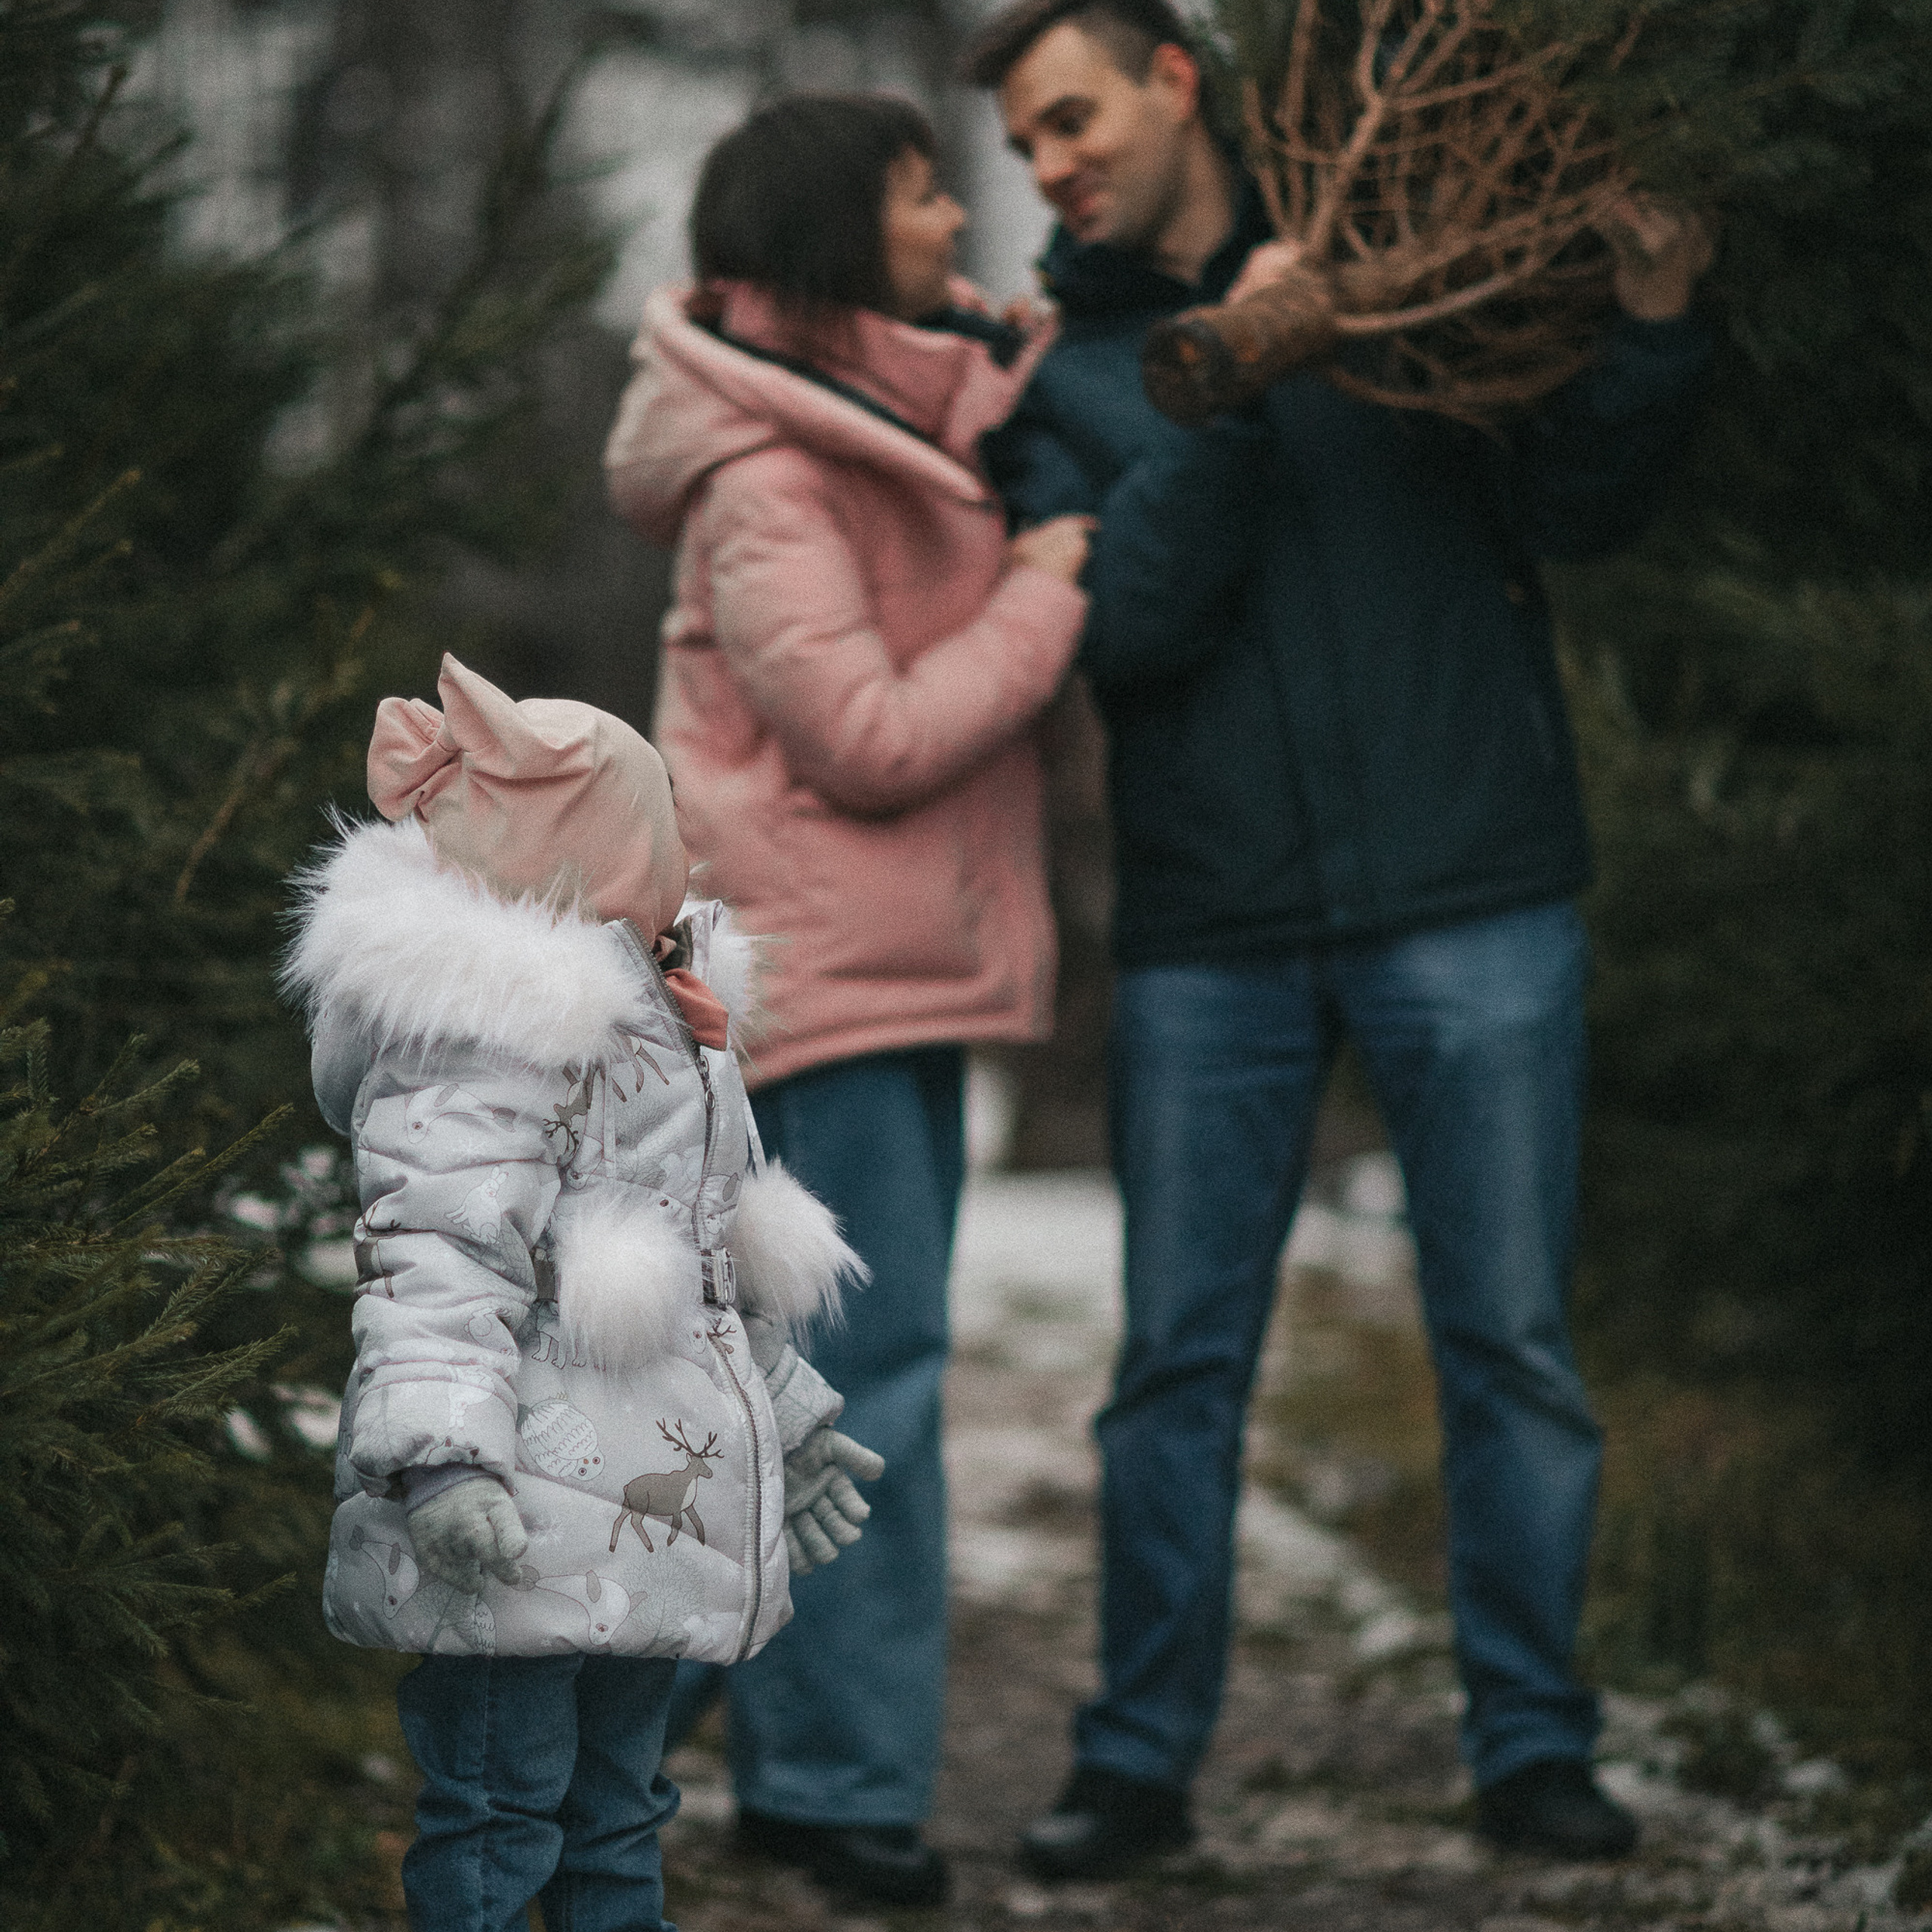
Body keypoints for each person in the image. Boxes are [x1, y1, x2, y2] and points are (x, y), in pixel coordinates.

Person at [961, 0, 1717, 1877]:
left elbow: (1578, 503)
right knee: (1174, 1365)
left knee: (1512, 1345)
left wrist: (1649, 330)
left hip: (1475, 883)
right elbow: (1120, 632)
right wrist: (1227, 381)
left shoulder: (1412, 271)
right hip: (1212, 925)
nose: (1048, 168)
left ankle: (1533, 1749)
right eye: (1023, 148)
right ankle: (1133, 1765)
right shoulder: (1063, 376)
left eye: (1069, 119)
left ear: (1174, 80)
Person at [602, 94, 1095, 1908]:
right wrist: (1044, 597)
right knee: (848, 1381)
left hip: (865, 974)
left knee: (801, 1382)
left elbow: (972, 385)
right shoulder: (770, 474)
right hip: (826, 987)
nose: (954, 227)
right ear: (826, 238)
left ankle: (778, 1765)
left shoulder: (854, 421)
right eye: (915, 199)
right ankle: (816, 1782)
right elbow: (868, 739)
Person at [283, 652, 886, 1932]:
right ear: (595, 868)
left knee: (619, 1807)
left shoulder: (668, 1027)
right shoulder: (480, 1041)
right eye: (657, 844)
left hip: (632, 1539)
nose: (683, 876)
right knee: (501, 1811)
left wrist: (783, 1414)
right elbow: (434, 1259)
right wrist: (443, 1461)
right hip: (501, 1530)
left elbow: (706, 1274)